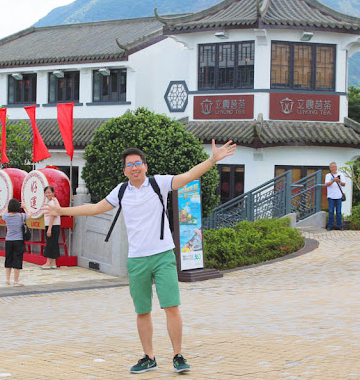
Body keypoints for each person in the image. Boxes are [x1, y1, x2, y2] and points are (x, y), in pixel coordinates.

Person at [43, 140, 236, 374]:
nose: (134, 168)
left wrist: (212, 160)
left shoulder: (159, 184)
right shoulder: (121, 191)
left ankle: (178, 355)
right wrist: (61, 211)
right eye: (129, 165)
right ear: (124, 170)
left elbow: (186, 177)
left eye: (138, 163)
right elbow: (94, 208)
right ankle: (149, 357)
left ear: (145, 166)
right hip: (136, 259)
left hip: (163, 255)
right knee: (142, 310)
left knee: (171, 306)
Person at [2, 198, 29, 286]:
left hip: (9, 240)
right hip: (19, 240)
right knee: (17, 259)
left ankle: (7, 279)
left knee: (8, 258)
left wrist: (7, 207)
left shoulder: (6, 216)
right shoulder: (21, 216)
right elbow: (30, 215)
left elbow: (3, 214)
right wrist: (25, 207)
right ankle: (16, 280)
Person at [41, 186, 61, 269]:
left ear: (53, 193)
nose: (47, 194)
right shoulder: (54, 201)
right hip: (54, 225)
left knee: (49, 243)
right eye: (46, 193)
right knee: (54, 243)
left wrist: (49, 228)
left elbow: (53, 215)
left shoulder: (52, 202)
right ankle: (53, 263)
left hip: (52, 226)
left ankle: (48, 262)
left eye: (49, 192)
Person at [325, 162, 346, 230]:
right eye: (333, 167)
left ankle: (339, 226)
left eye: (335, 167)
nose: (334, 168)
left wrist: (339, 181)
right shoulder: (328, 175)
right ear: (330, 168)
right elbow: (327, 184)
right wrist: (333, 180)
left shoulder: (341, 174)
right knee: (331, 212)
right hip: (331, 196)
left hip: (339, 196)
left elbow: (343, 184)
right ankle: (330, 226)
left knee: (339, 212)